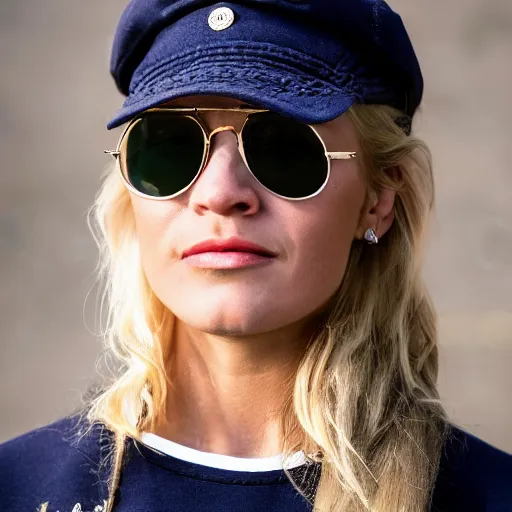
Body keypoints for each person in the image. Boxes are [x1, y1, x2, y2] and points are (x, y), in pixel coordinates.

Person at [1, 1, 511, 511]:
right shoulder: (17, 489)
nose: (220, 193)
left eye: (285, 147)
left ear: (378, 201)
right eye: (170, 146)